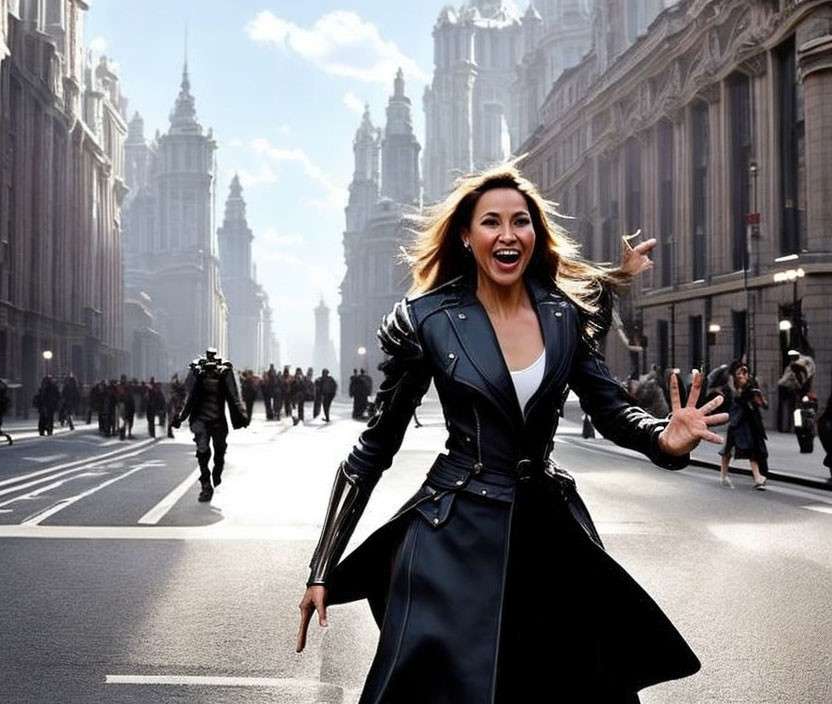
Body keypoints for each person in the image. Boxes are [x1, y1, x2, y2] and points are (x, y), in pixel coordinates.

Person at [296, 163, 727, 703]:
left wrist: (664, 437)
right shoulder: (426, 319)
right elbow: (374, 448)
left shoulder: (565, 315)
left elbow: (612, 410)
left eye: (520, 221)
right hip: (451, 534)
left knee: (568, 685)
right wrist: (322, 565)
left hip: (547, 532)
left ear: (534, 235)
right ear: (465, 235)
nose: (507, 234)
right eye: (491, 222)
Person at [172, 348, 249, 502]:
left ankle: (216, 472)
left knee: (219, 452)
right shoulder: (196, 373)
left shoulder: (224, 373)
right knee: (203, 452)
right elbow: (188, 397)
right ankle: (206, 485)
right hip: (201, 420)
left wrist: (241, 414)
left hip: (218, 420)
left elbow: (235, 396)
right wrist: (180, 417)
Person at [718, 361, 769, 489]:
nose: (742, 376)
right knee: (728, 450)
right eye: (739, 373)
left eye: (744, 372)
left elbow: (762, 403)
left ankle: (758, 478)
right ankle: (724, 476)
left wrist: (758, 398)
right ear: (734, 375)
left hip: (749, 422)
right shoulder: (731, 388)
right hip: (736, 422)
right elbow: (736, 399)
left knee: (751, 450)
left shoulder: (751, 386)